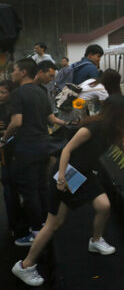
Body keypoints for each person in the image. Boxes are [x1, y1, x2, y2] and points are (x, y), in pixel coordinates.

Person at [11, 94, 124, 287]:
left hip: (84, 174)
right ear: (116, 112)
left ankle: (96, 240)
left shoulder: (115, 132)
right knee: (54, 224)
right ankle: (25, 265)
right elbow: (66, 150)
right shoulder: (91, 128)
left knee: (104, 206)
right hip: (68, 175)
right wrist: (61, 177)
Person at [1, 59, 67, 247]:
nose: (12, 73)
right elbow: (50, 118)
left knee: (29, 191)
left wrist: (4, 139)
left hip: (26, 148)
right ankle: (45, 225)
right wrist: (65, 123)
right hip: (43, 146)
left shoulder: (18, 94)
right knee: (41, 188)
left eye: (14, 70)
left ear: (22, 73)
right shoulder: (41, 92)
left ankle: (36, 231)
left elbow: (17, 122)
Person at [0, 80, 22, 239]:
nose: (0, 95)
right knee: (9, 187)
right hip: (5, 155)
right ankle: (15, 225)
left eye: (3, 92)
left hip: (19, 152)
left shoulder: (17, 108)